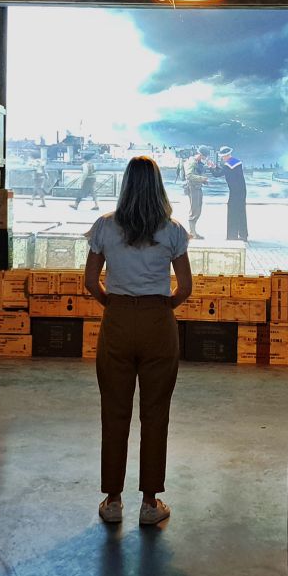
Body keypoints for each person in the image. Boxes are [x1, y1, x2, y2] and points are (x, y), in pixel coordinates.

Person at [84, 156, 193, 527]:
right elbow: (186, 287)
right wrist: (162, 306)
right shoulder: (173, 230)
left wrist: (113, 304)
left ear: (126, 184)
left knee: (114, 412)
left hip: (116, 319)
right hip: (158, 322)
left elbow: (90, 281)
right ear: (159, 186)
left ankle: (113, 499)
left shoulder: (105, 226)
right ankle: (150, 502)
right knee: (155, 413)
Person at [218, 145, 248, 241]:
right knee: (241, 212)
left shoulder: (228, 165)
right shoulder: (236, 162)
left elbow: (217, 174)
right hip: (241, 191)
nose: (222, 158)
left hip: (235, 192)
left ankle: (232, 235)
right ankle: (243, 234)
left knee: (232, 212)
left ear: (226, 155)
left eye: (223, 156)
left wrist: (211, 167)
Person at [181, 147, 210, 239]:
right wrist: (202, 179)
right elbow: (189, 176)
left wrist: (203, 181)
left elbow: (195, 174)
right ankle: (192, 233)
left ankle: (193, 232)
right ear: (201, 155)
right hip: (192, 188)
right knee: (194, 210)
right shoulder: (191, 162)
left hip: (197, 187)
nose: (205, 158)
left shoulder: (197, 162)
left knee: (198, 210)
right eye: (205, 156)